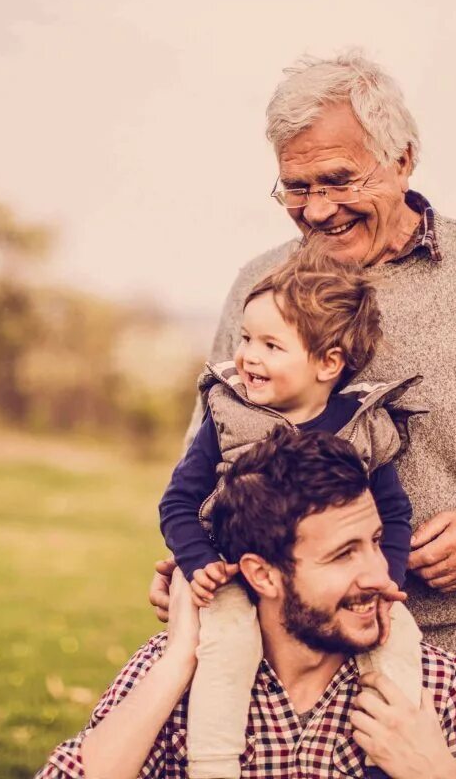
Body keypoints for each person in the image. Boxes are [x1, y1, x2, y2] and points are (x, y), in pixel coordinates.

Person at [150, 50, 456, 778]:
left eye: (339, 180)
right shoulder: (260, 285)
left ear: (403, 159)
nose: (317, 208)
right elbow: (214, 450)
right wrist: (198, 555)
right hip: (284, 663)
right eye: (296, 187)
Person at [35, 429, 456, 779]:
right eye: (343, 554)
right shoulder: (177, 672)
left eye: (376, 542)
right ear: (262, 574)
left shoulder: (436, 686)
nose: (381, 576)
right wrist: (179, 658)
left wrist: (435, 772)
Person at [158, 248, 424, 778]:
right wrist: (197, 561)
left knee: (401, 644)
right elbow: (178, 501)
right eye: (246, 339)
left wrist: (385, 580)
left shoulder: (361, 425)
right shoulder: (228, 414)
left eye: (271, 345)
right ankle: (213, 765)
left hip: (335, 591)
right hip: (235, 577)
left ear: (329, 362)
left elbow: (393, 514)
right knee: (227, 647)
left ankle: (390, 756)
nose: (248, 356)